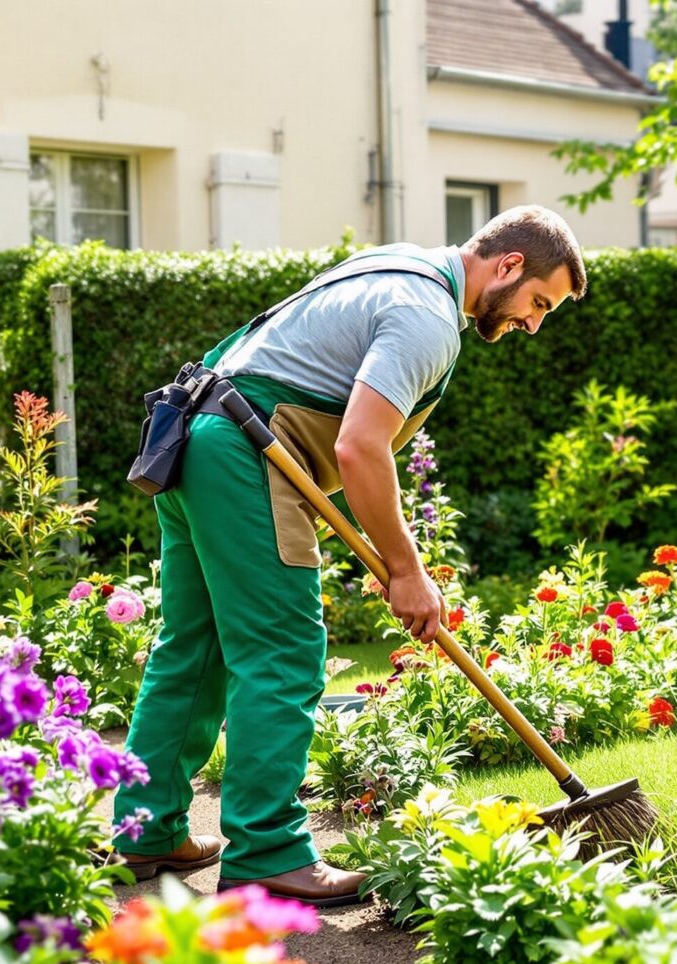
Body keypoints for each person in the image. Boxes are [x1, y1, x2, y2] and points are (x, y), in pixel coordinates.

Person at [111, 206, 586, 905]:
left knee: (197, 646)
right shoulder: (427, 314)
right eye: (538, 303)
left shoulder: (399, 266)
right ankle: (269, 852)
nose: (533, 324)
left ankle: (146, 832)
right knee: (282, 649)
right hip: (246, 449)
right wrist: (406, 569)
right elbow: (360, 445)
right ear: (508, 265)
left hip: (195, 440)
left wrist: (394, 555)